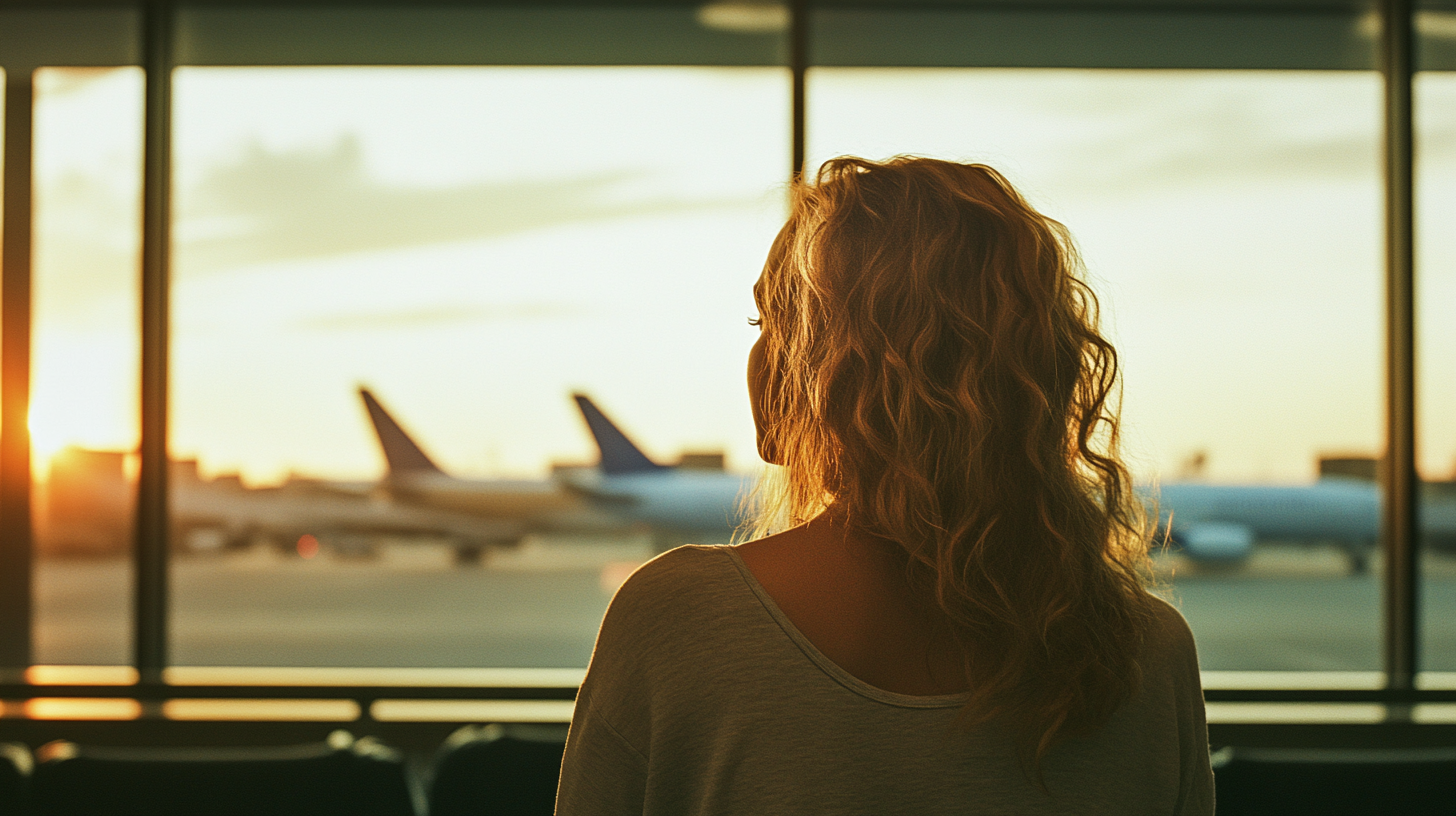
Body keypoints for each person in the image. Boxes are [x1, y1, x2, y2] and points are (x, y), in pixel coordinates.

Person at [555, 157, 1213, 815]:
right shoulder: (1148, 653)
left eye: (776, 321)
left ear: (847, 361)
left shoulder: (678, 620)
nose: (758, 357)